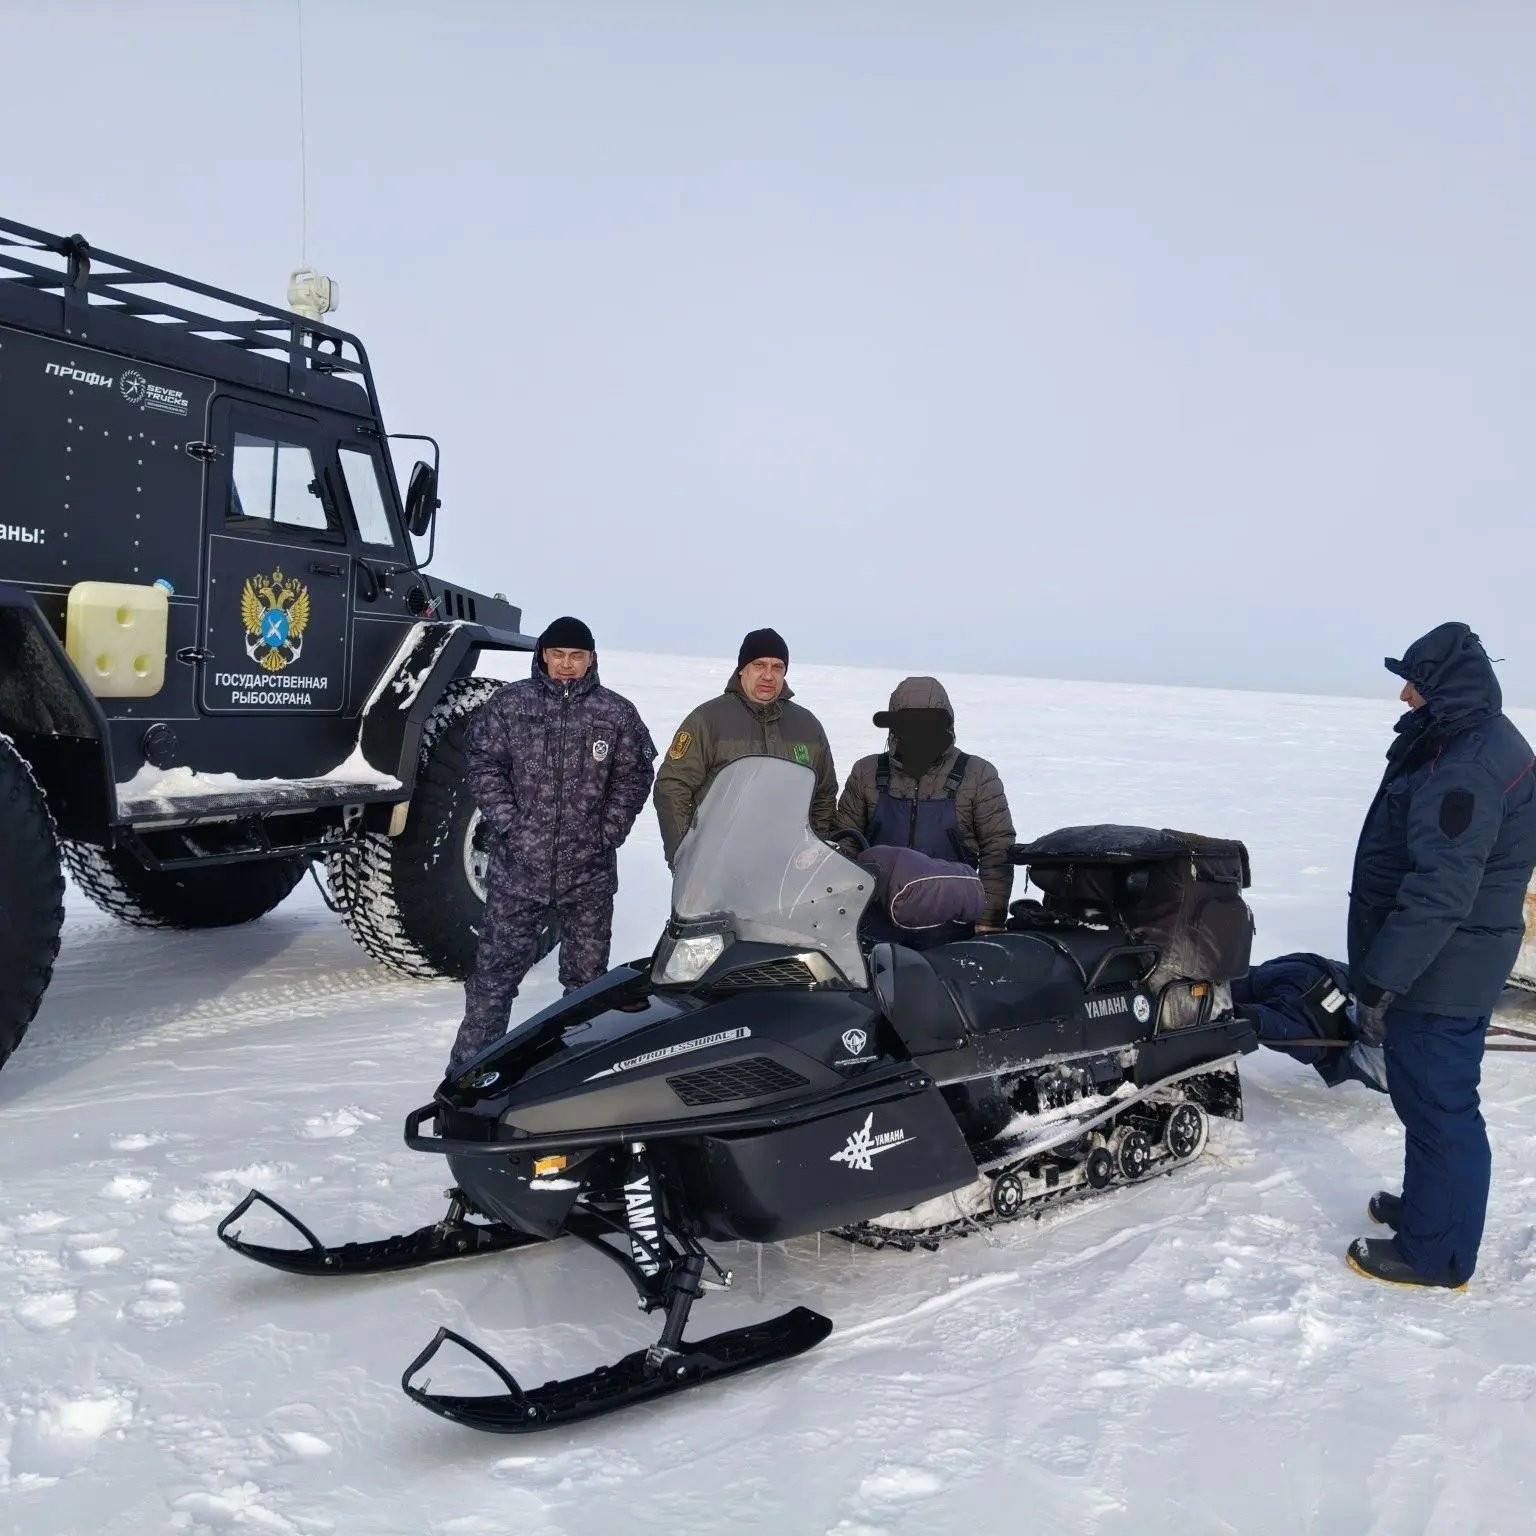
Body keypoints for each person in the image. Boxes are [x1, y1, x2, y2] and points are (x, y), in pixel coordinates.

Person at [1344, 622, 1536, 1290]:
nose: (1404, 695)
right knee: (1426, 1100)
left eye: (1414, 683)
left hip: (1441, 969)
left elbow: (1439, 890)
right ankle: (1431, 1212)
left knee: (1439, 1105)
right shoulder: (1464, 741)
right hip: (1450, 961)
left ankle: (1437, 1255)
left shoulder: (1468, 765)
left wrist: (1381, 980)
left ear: (1446, 685)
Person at [448, 617, 656, 1073]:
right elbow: (482, 764)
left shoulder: (615, 713)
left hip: (588, 877)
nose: (566, 665)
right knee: (493, 981)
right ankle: (467, 1074)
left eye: (576, 656)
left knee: (586, 987)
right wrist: (510, 823)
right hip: (518, 873)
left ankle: (574, 1076)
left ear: (591, 659)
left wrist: (609, 831)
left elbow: (635, 776)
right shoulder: (511, 705)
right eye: (558, 654)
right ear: (542, 655)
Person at [836, 676, 1015, 943]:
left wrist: (990, 917)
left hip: (951, 930)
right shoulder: (867, 772)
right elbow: (845, 846)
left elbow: (997, 849)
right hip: (875, 927)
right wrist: (840, 910)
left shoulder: (978, 775)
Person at [653, 628, 837, 867]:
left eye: (777, 667)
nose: (768, 675)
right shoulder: (707, 720)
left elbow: (824, 795)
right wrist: (686, 855)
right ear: (742, 669)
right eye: (759, 665)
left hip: (788, 868)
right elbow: (672, 788)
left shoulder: (807, 726)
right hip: (718, 867)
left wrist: (813, 850)